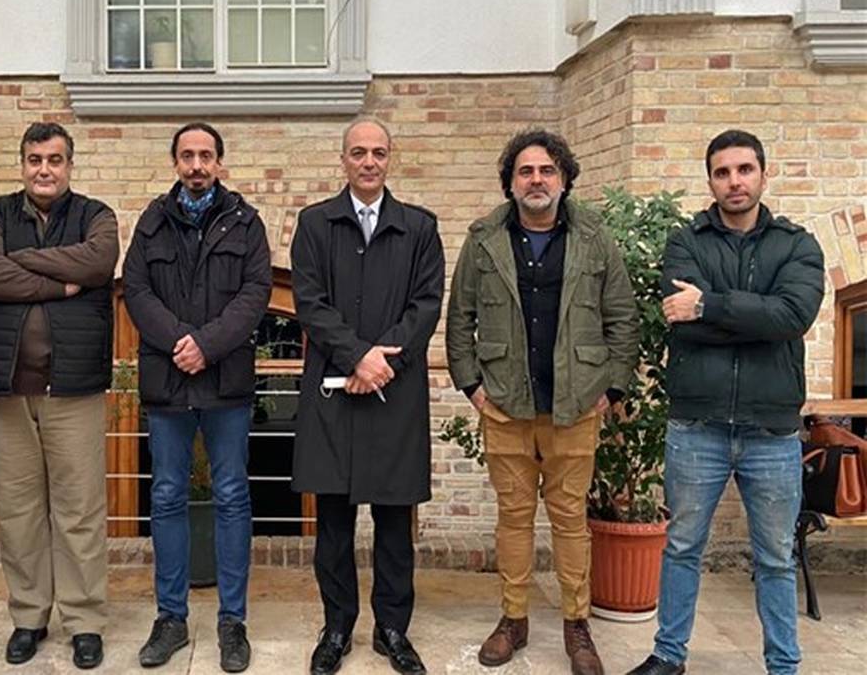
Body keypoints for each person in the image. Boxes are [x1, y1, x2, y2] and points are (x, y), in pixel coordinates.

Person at [626, 130, 824, 675]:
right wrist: (756, 317)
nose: (734, 181)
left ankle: (783, 665)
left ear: (763, 174)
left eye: (744, 169)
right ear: (710, 180)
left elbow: (792, 317)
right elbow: (681, 318)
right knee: (682, 546)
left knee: (776, 557)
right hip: (698, 425)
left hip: (772, 431)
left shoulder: (797, 245)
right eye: (722, 172)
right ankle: (669, 656)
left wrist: (709, 306)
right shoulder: (685, 241)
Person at [446, 128, 638, 675]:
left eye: (547, 170)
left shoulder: (594, 238)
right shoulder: (484, 239)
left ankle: (577, 624)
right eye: (525, 171)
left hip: (575, 405)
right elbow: (460, 318)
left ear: (564, 179)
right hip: (505, 404)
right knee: (513, 518)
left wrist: (611, 389)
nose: (536, 180)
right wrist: (472, 386)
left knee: (571, 519)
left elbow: (622, 317)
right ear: (510, 182)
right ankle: (514, 619)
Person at [291, 118, 445, 675]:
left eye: (378, 152)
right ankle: (337, 628)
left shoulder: (419, 227)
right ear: (344, 159)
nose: (369, 162)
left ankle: (392, 629)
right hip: (334, 392)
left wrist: (382, 363)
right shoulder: (315, 224)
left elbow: (426, 305)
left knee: (394, 522)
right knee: (333, 524)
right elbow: (309, 302)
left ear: (390, 158)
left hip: (394, 394)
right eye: (358, 152)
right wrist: (357, 356)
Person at [0, 122, 119, 668]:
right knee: (18, 511)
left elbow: (98, 264)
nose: (44, 169)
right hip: (8, 389)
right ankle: (29, 616)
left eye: (55, 160)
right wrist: (59, 283)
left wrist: (22, 258)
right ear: (23, 164)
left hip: (73, 388)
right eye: (35, 159)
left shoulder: (96, 215)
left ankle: (84, 620)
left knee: (79, 510)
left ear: (69, 165)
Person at [123, 122, 271, 673]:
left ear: (220, 163)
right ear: (175, 163)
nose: (196, 165)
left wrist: (206, 346)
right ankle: (171, 619)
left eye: (206, 155)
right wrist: (178, 342)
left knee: (231, 496)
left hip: (225, 382)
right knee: (165, 496)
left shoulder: (246, 223)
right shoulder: (151, 223)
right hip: (169, 383)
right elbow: (136, 289)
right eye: (187, 155)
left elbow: (256, 293)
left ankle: (233, 623)